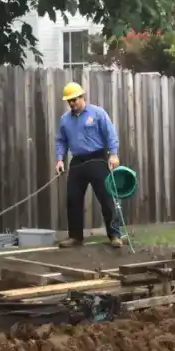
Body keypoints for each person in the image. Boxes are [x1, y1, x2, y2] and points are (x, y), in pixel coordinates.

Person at [54, 82, 124, 249]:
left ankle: (114, 235)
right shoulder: (65, 120)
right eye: (69, 100)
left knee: (106, 197)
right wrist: (59, 159)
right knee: (73, 199)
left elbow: (110, 134)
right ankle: (75, 237)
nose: (72, 103)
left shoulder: (98, 113)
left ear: (82, 97)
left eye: (74, 99)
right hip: (77, 161)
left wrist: (113, 154)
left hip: (97, 158)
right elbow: (60, 141)